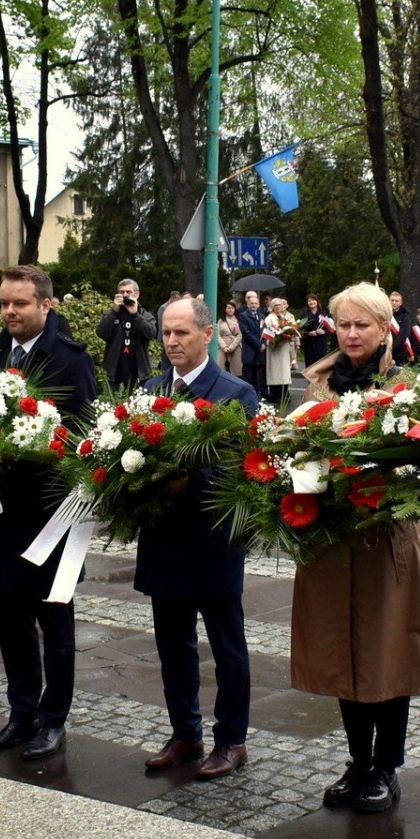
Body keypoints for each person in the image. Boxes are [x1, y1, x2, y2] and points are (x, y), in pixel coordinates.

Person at [291, 283, 420, 814]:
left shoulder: (405, 384)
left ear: (383, 328)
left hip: (386, 534)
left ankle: (387, 767)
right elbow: (301, 449)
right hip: (332, 536)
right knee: (339, 649)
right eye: (344, 325)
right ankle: (358, 761)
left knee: (386, 650)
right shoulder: (319, 383)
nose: (351, 335)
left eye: (362, 326)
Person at [0, 265, 98, 759]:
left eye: (20, 303)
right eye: (3, 303)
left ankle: (52, 718)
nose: (10, 312)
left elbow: (85, 434)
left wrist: (39, 446)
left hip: (49, 514)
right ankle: (20, 714)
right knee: (11, 622)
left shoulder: (70, 359)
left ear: (46, 305)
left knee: (54, 623)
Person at [138, 296, 262, 779]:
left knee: (226, 645)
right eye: (166, 333)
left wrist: (191, 480)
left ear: (207, 334)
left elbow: (241, 469)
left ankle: (231, 739)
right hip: (163, 538)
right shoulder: (150, 390)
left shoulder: (234, 393)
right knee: (173, 644)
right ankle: (185, 733)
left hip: (212, 542)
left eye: (182, 333)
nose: (171, 342)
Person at [96, 277, 158, 389]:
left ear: (137, 294)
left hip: (139, 374)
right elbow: (101, 332)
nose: (125, 295)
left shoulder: (144, 315)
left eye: (128, 292)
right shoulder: (112, 314)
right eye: (121, 292)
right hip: (115, 374)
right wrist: (114, 311)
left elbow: (151, 334)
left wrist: (135, 315)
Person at [261, 296, 298, 406]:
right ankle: (275, 395)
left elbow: (290, 329)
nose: (278, 307)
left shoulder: (284, 317)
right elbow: (267, 331)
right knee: (275, 373)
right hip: (274, 349)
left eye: (279, 305)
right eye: (276, 305)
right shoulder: (269, 318)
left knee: (285, 372)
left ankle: (285, 394)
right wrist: (276, 337)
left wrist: (289, 335)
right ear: (272, 307)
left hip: (284, 349)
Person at [236, 290, 267, 400]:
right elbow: (246, 333)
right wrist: (259, 345)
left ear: (258, 305)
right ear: (248, 304)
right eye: (251, 303)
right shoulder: (244, 316)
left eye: (256, 304)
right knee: (248, 376)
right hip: (250, 351)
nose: (254, 305)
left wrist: (264, 343)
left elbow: (265, 332)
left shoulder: (262, 316)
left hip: (260, 352)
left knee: (258, 376)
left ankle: (256, 396)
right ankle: (246, 398)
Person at [300, 293, 335, 365]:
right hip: (309, 344)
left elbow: (331, 329)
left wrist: (324, 332)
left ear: (317, 301)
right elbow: (300, 330)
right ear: (307, 303)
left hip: (321, 343)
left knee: (321, 364)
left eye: (313, 300)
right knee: (310, 365)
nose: (311, 302)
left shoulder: (324, 313)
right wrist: (309, 333)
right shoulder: (304, 315)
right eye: (309, 301)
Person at [216, 300, 243, 378]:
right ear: (225, 309)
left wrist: (232, 347)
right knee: (221, 367)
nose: (231, 310)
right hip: (223, 347)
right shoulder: (221, 320)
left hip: (235, 346)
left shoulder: (238, 320)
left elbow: (240, 335)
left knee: (236, 370)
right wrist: (224, 347)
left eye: (232, 308)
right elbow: (217, 335)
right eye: (229, 308)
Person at [388, 289, 415, 362]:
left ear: (401, 303)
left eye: (396, 301)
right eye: (392, 300)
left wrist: (392, 347)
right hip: (385, 351)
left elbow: (403, 335)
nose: (394, 303)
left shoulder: (405, 316)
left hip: (400, 353)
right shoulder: (386, 315)